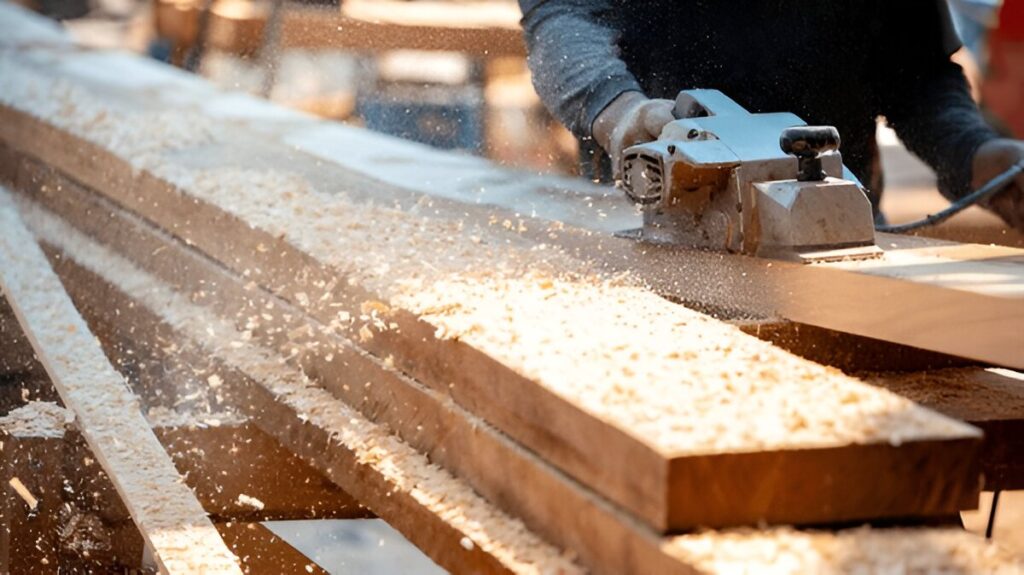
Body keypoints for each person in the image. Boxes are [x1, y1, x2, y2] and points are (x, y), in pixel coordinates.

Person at [518, 0, 1024, 229]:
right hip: (650, 237)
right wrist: (620, 111)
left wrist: (973, 154)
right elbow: (564, 17)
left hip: (838, 237)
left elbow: (915, 72)